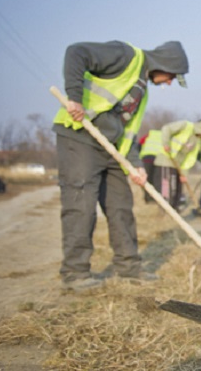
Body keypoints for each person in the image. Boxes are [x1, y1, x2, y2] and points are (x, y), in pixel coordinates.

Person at [53, 40, 189, 290]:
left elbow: (129, 132)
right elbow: (76, 52)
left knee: (121, 207)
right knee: (81, 206)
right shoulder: (125, 56)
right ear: (165, 64)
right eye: (172, 76)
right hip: (80, 136)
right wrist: (74, 98)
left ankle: (129, 267)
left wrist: (135, 164)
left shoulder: (142, 91)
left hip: (113, 149)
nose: (170, 82)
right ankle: (75, 273)